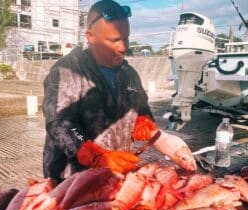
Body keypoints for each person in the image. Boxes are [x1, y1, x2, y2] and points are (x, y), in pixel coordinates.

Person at [42, 0, 196, 183]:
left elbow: (142, 112)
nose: (123, 47)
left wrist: (153, 131)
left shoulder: (128, 74)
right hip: (71, 179)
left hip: (117, 177)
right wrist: (94, 156)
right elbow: (60, 123)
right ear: (91, 37)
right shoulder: (66, 71)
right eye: (114, 40)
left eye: (126, 38)